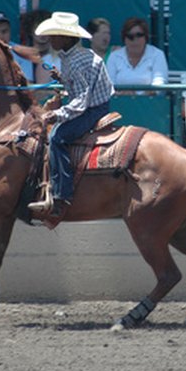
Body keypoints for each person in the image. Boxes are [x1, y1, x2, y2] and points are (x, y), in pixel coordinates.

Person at [27, 11, 115, 217]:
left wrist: (56, 114)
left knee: (57, 137)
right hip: (91, 103)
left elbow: (81, 102)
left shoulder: (77, 61)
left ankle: (62, 193)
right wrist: (63, 79)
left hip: (94, 108)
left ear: (66, 37)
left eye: (54, 34)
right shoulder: (71, 56)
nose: (50, 38)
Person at [106, 17, 168, 95]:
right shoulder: (114, 57)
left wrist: (144, 95)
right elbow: (108, 85)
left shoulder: (157, 55)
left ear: (146, 37)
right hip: (120, 103)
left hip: (151, 103)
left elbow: (160, 82)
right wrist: (122, 94)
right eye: (130, 36)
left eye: (139, 35)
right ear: (124, 38)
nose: (135, 40)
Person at [0, 11, 35, 82]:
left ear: (10, 31)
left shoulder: (21, 53)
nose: (0, 36)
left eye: (4, 31)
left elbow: (28, 85)